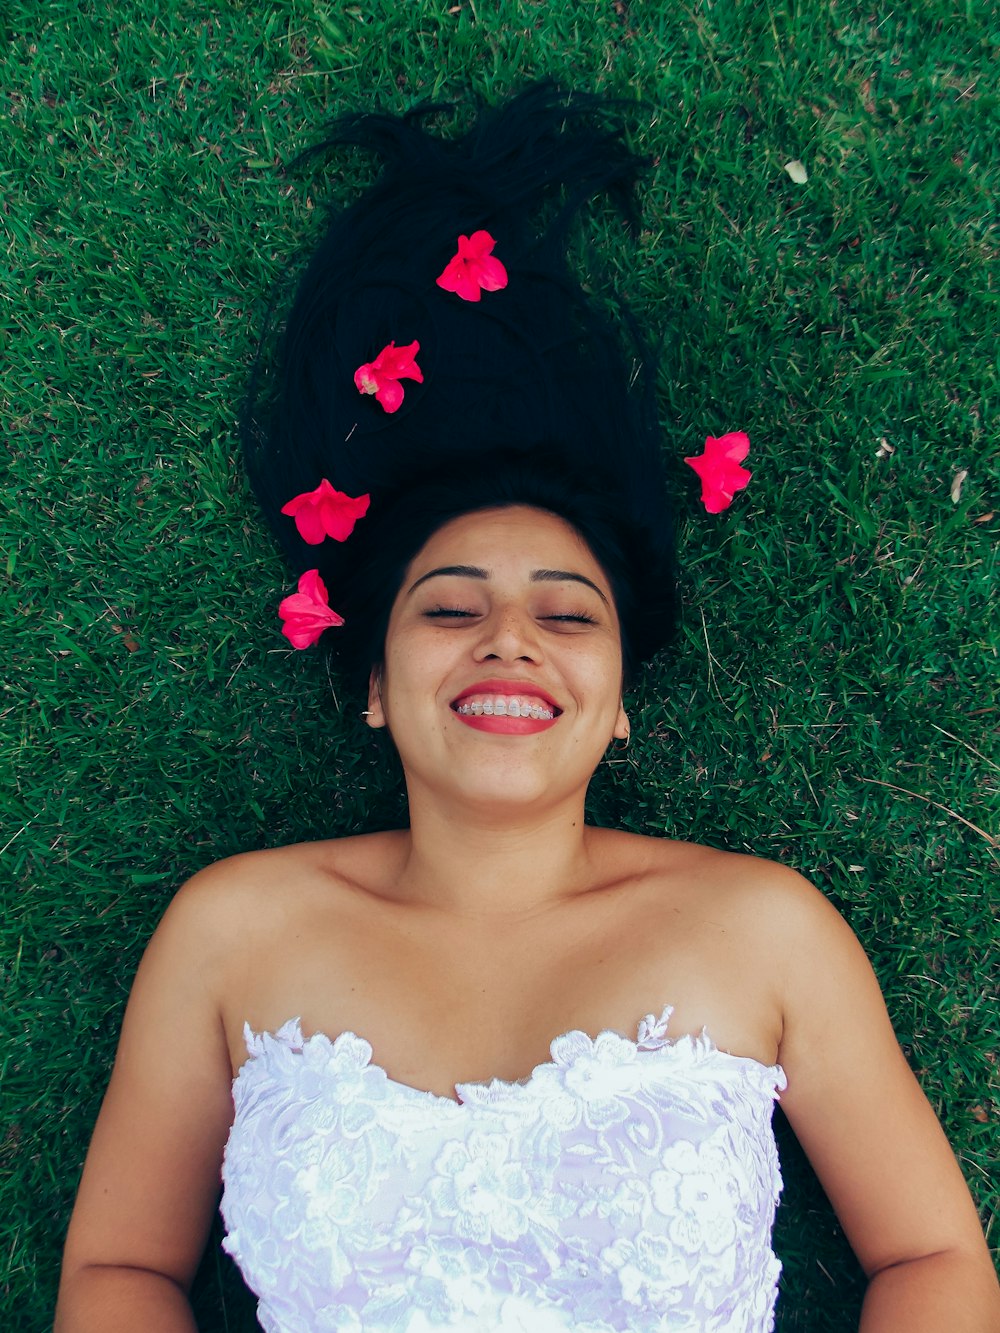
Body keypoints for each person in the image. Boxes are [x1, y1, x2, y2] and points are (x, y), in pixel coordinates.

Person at [54, 84, 998, 1333]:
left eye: (567, 615)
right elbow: (120, 1272)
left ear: (616, 706)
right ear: (378, 688)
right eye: (449, 610)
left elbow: (932, 1255)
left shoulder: (765, 928)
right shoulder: (231, 931)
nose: (510, 638)